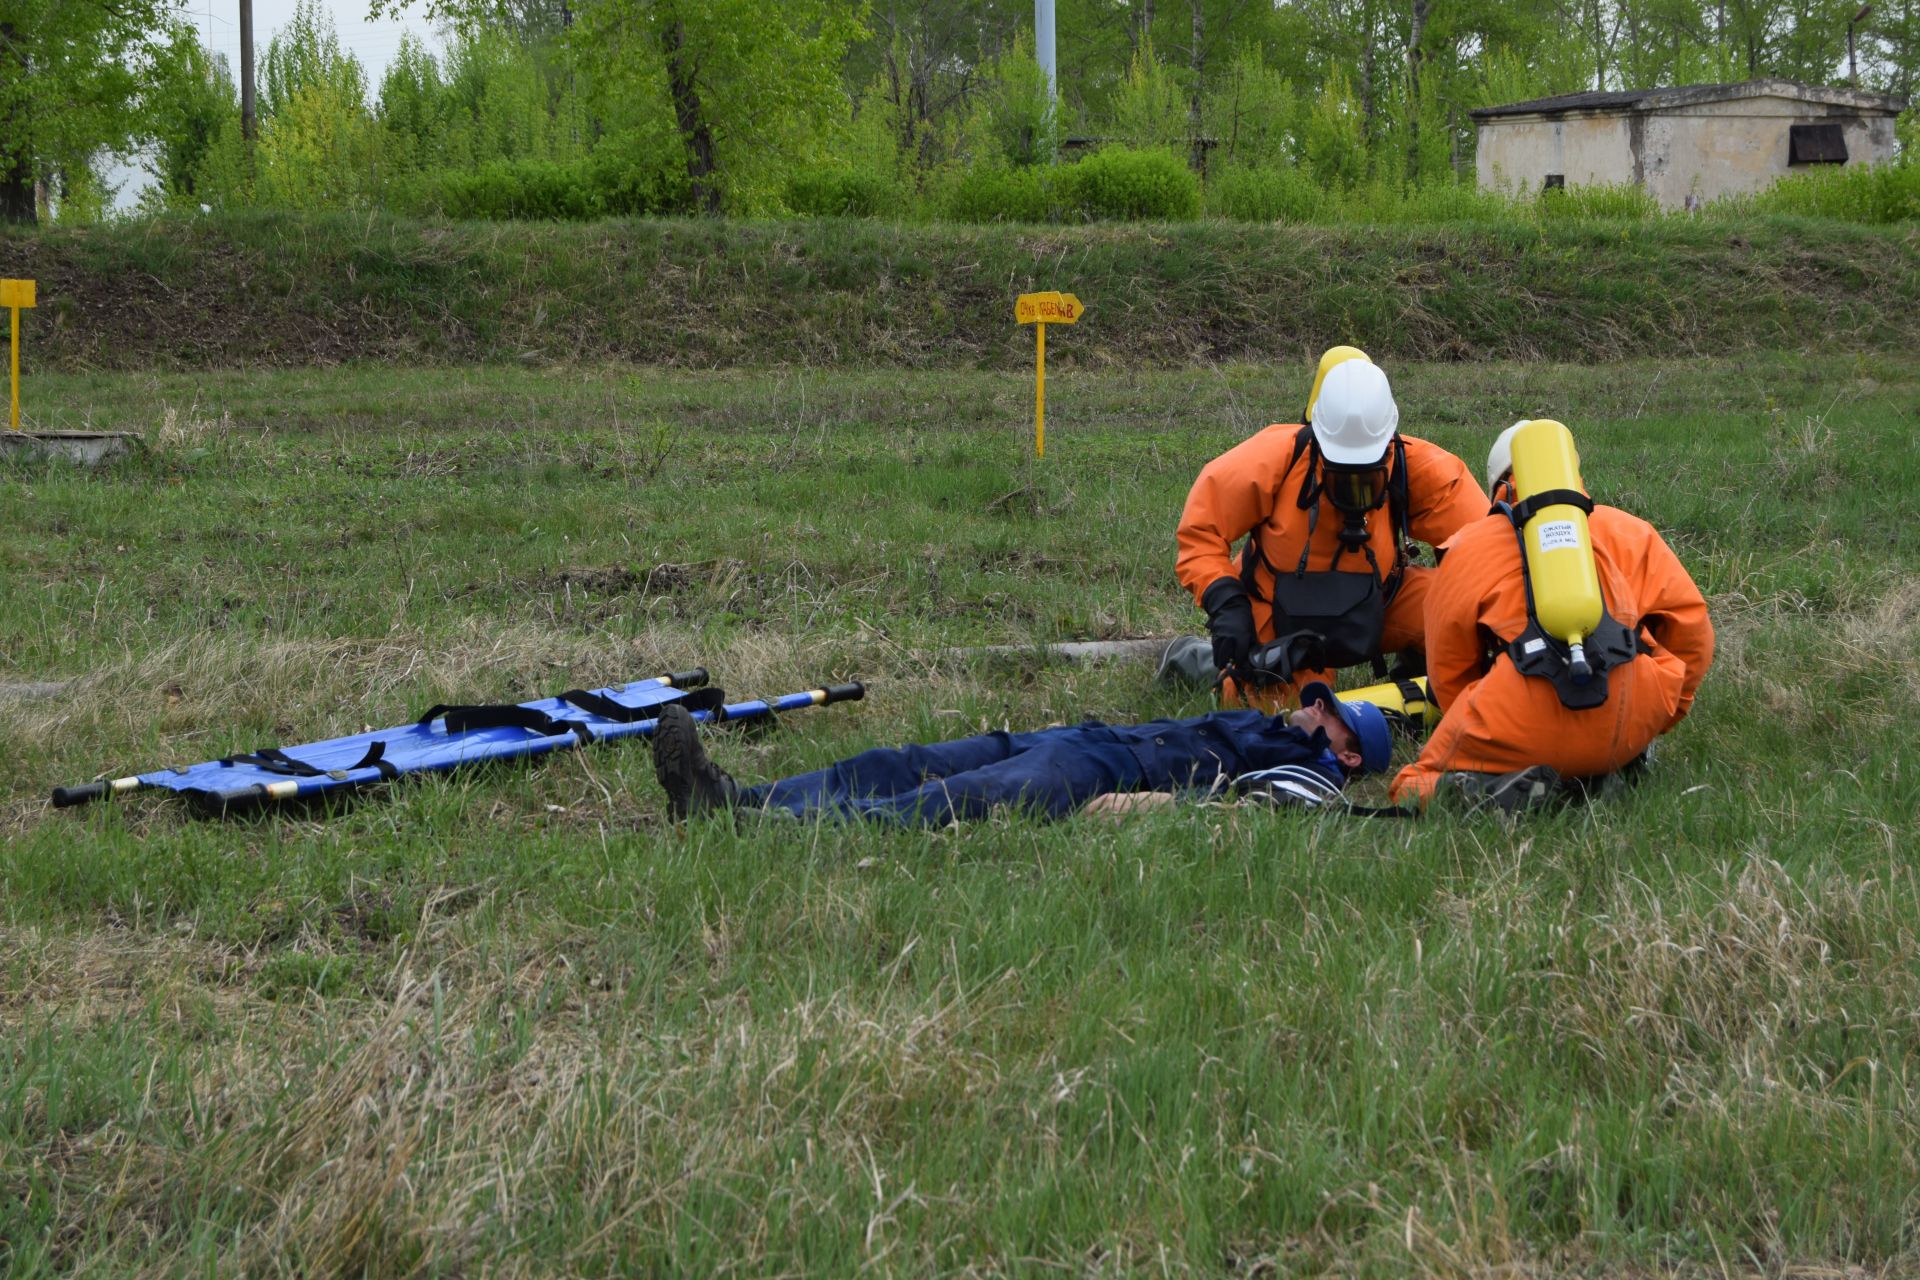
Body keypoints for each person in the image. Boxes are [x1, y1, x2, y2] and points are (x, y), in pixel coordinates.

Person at [1389, 420, 1715, 811]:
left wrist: (1486, 718)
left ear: (1498, 486)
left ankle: (1506, 787)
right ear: (1572, 471)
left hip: (1515, 718)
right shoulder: (1632, 531)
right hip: (1634, 705)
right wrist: (1660, 713)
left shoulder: (1467, 548)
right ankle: (1609, 766)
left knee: (1409, 786)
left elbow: (1449, 670)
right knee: (1619, 714)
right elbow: (1691, 630)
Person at [1174, 347, 1488, 710]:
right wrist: (1227, 603)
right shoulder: (1274, 456)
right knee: (1291, 710)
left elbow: (1483, 551)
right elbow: (1200, 531)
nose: (1355, 486)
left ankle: (1422, 667)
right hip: (1279, 610)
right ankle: (1196, 659)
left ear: (1389, 443)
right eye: (1342, 470)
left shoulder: (1420, 467)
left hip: (1377, 600)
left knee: (1471, 618)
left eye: (1367, 472)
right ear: (1317, 438)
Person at [649, 682, 1393, 825]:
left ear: (1349, 756)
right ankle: (744, 797)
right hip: (1084, 739)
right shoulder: (1272, 722)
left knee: (947, 803)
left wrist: (1151, 808)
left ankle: (750, 826)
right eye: (1321, 699)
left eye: (1330, 715)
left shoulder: (1310, 775)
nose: (1314, 706)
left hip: (1111, 774)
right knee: (904, 761)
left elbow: (1249, 812)